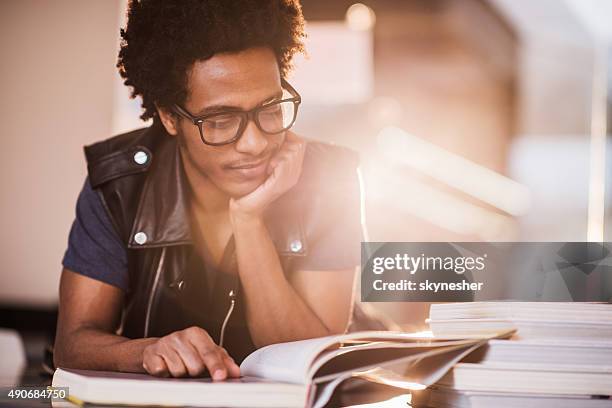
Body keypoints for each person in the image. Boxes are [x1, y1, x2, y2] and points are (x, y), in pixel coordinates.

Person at [53, 0, 364, 380]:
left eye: (269, 109)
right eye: (220, 120)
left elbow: (307, 359)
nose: (254, 143)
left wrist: (249, 220)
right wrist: (147, 350)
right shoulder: (119, 186)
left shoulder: (329, 181)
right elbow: (72, 345)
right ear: (169, 117)